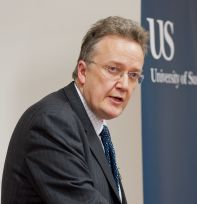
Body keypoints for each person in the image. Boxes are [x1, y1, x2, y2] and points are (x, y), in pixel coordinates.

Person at [1, 16, 148, 204]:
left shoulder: (94, 127)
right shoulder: (52, 122)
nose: (125, 85)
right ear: (82, 72)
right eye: (113, 69)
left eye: (133, 75)